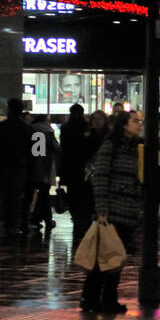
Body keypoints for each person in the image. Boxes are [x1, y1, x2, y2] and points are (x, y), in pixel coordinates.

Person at [84, 110, 144, 313]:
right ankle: (95, 298)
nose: (139, 124)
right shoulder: (112, 146)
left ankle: (105, 299)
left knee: (116, 258)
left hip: (128, 211)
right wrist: (102, 209)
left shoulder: (137, 148)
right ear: (124, 125)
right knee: (106, 257)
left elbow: (139, 180)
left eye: (140, 121)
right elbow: (99, 177)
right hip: (112, 210)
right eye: (135, 121)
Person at [59, 104, 96, 246]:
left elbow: (63, 148)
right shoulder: (86, 128)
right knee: (83, 196)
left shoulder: (66, 127)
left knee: (73, 195)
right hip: (83, 167)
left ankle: (77, 219)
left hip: (70, 167)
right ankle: (82, 220)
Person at [0, 99, 33, 236]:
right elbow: (35, 152)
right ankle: (18, 224)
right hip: (20, 167)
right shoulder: (28, 129)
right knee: (17, 197)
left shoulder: (0, 127)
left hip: (4, 166)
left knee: (7, 197)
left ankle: (8, 224)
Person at [26, 113, 59, 233]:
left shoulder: (31, 129)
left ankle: (34, 218)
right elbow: (56, 147)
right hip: (45, 166)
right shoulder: (48, 131)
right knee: (44, 194)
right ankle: (45, 219)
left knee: (33, 195)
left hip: (32, 166)